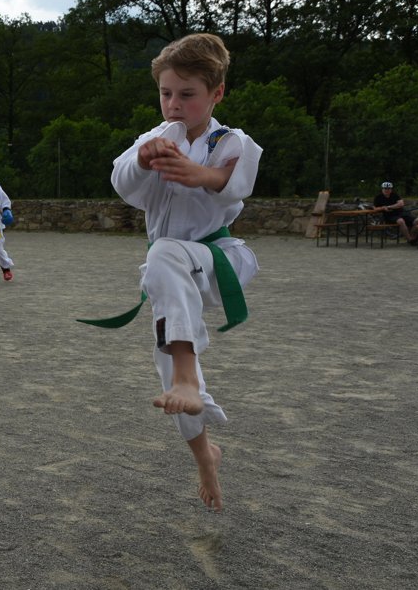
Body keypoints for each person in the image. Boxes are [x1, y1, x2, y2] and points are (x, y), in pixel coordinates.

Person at [105, 33, 262, 512]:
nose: (174, 105)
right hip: (168, 275)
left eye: (187, 94)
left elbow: (237, 182)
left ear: (216, 93)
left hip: (217, 260)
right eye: (166, 93)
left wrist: (204, 176)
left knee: (167, 253)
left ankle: (188, 377)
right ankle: (205, 454)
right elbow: (122, 181)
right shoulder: (154, 138)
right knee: (169, 376)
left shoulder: (228, 141)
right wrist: (142, 160)